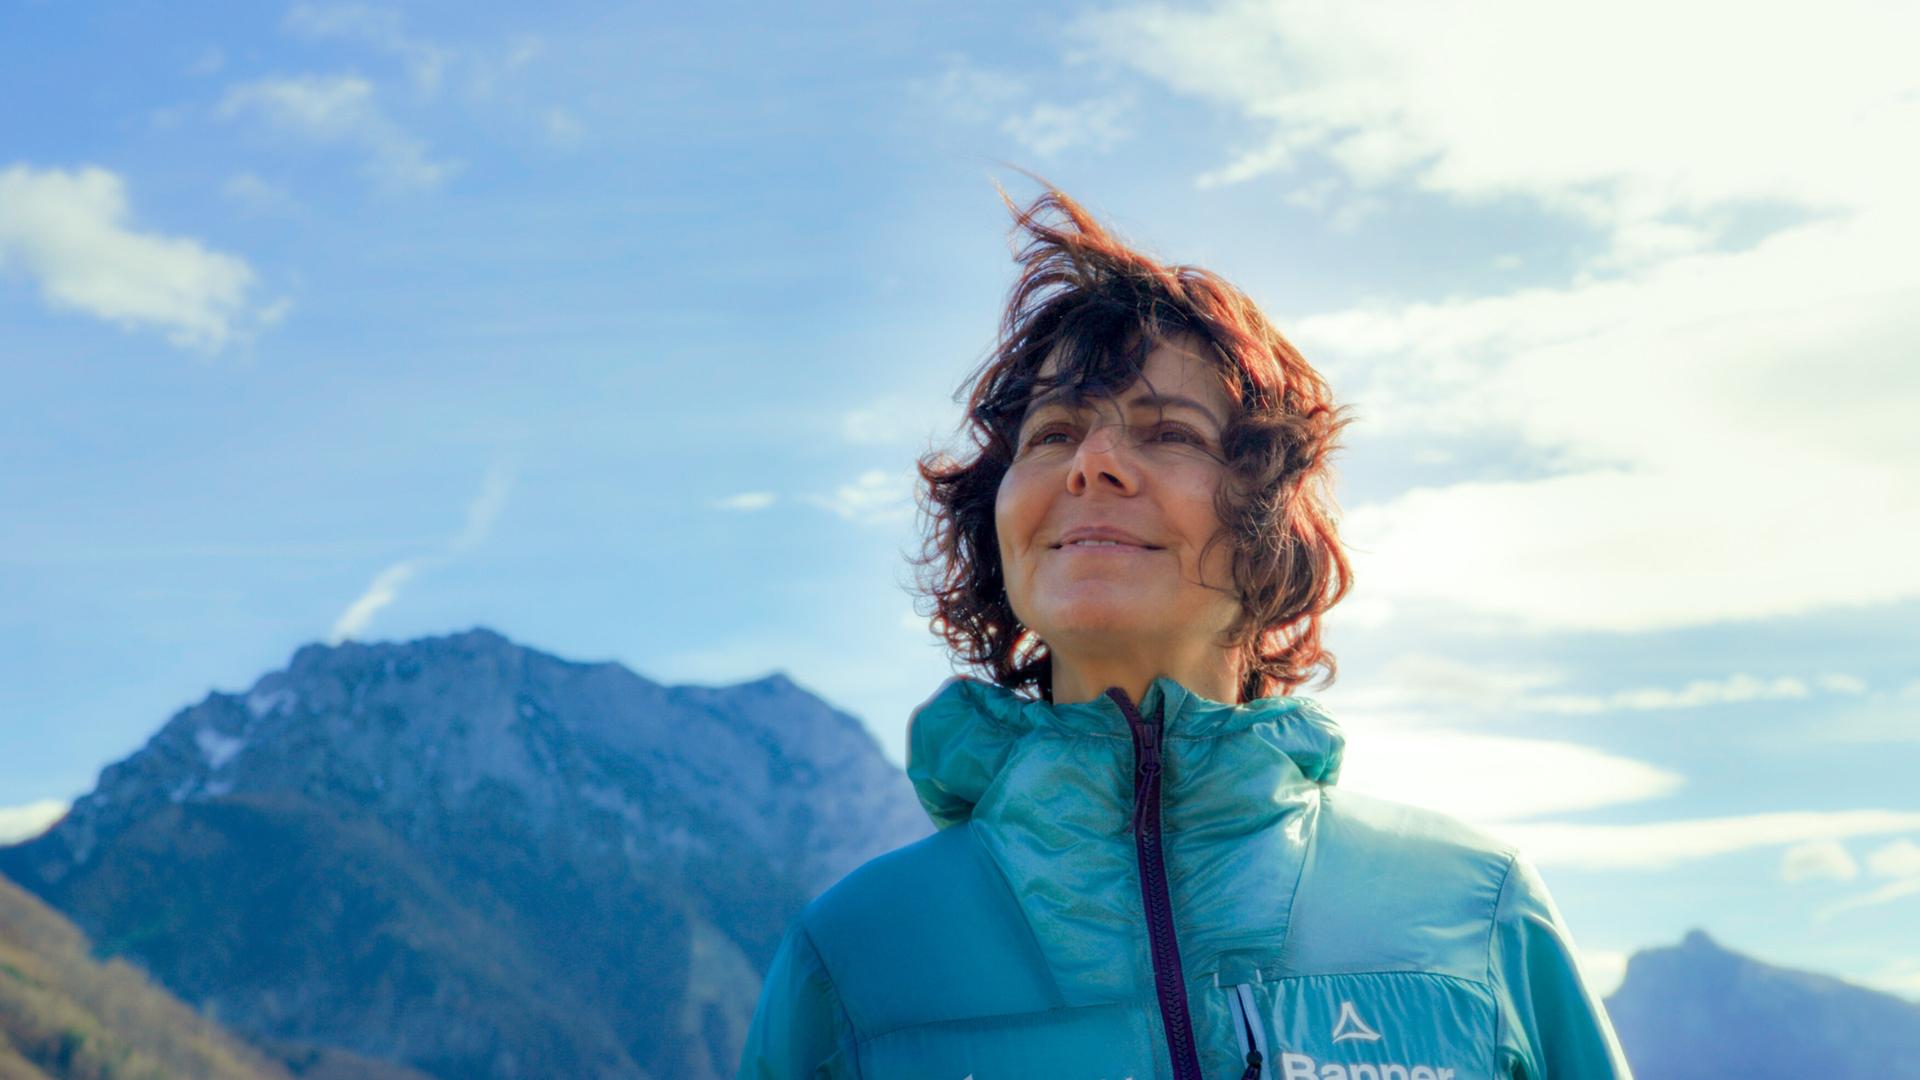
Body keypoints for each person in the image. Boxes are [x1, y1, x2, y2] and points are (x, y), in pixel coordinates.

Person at [736, 185, 1633, 1079]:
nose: (1092, 462)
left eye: (1167, 432)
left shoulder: (1477, 917)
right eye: (1051, 434)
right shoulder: (855, 958)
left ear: (1272, 532)